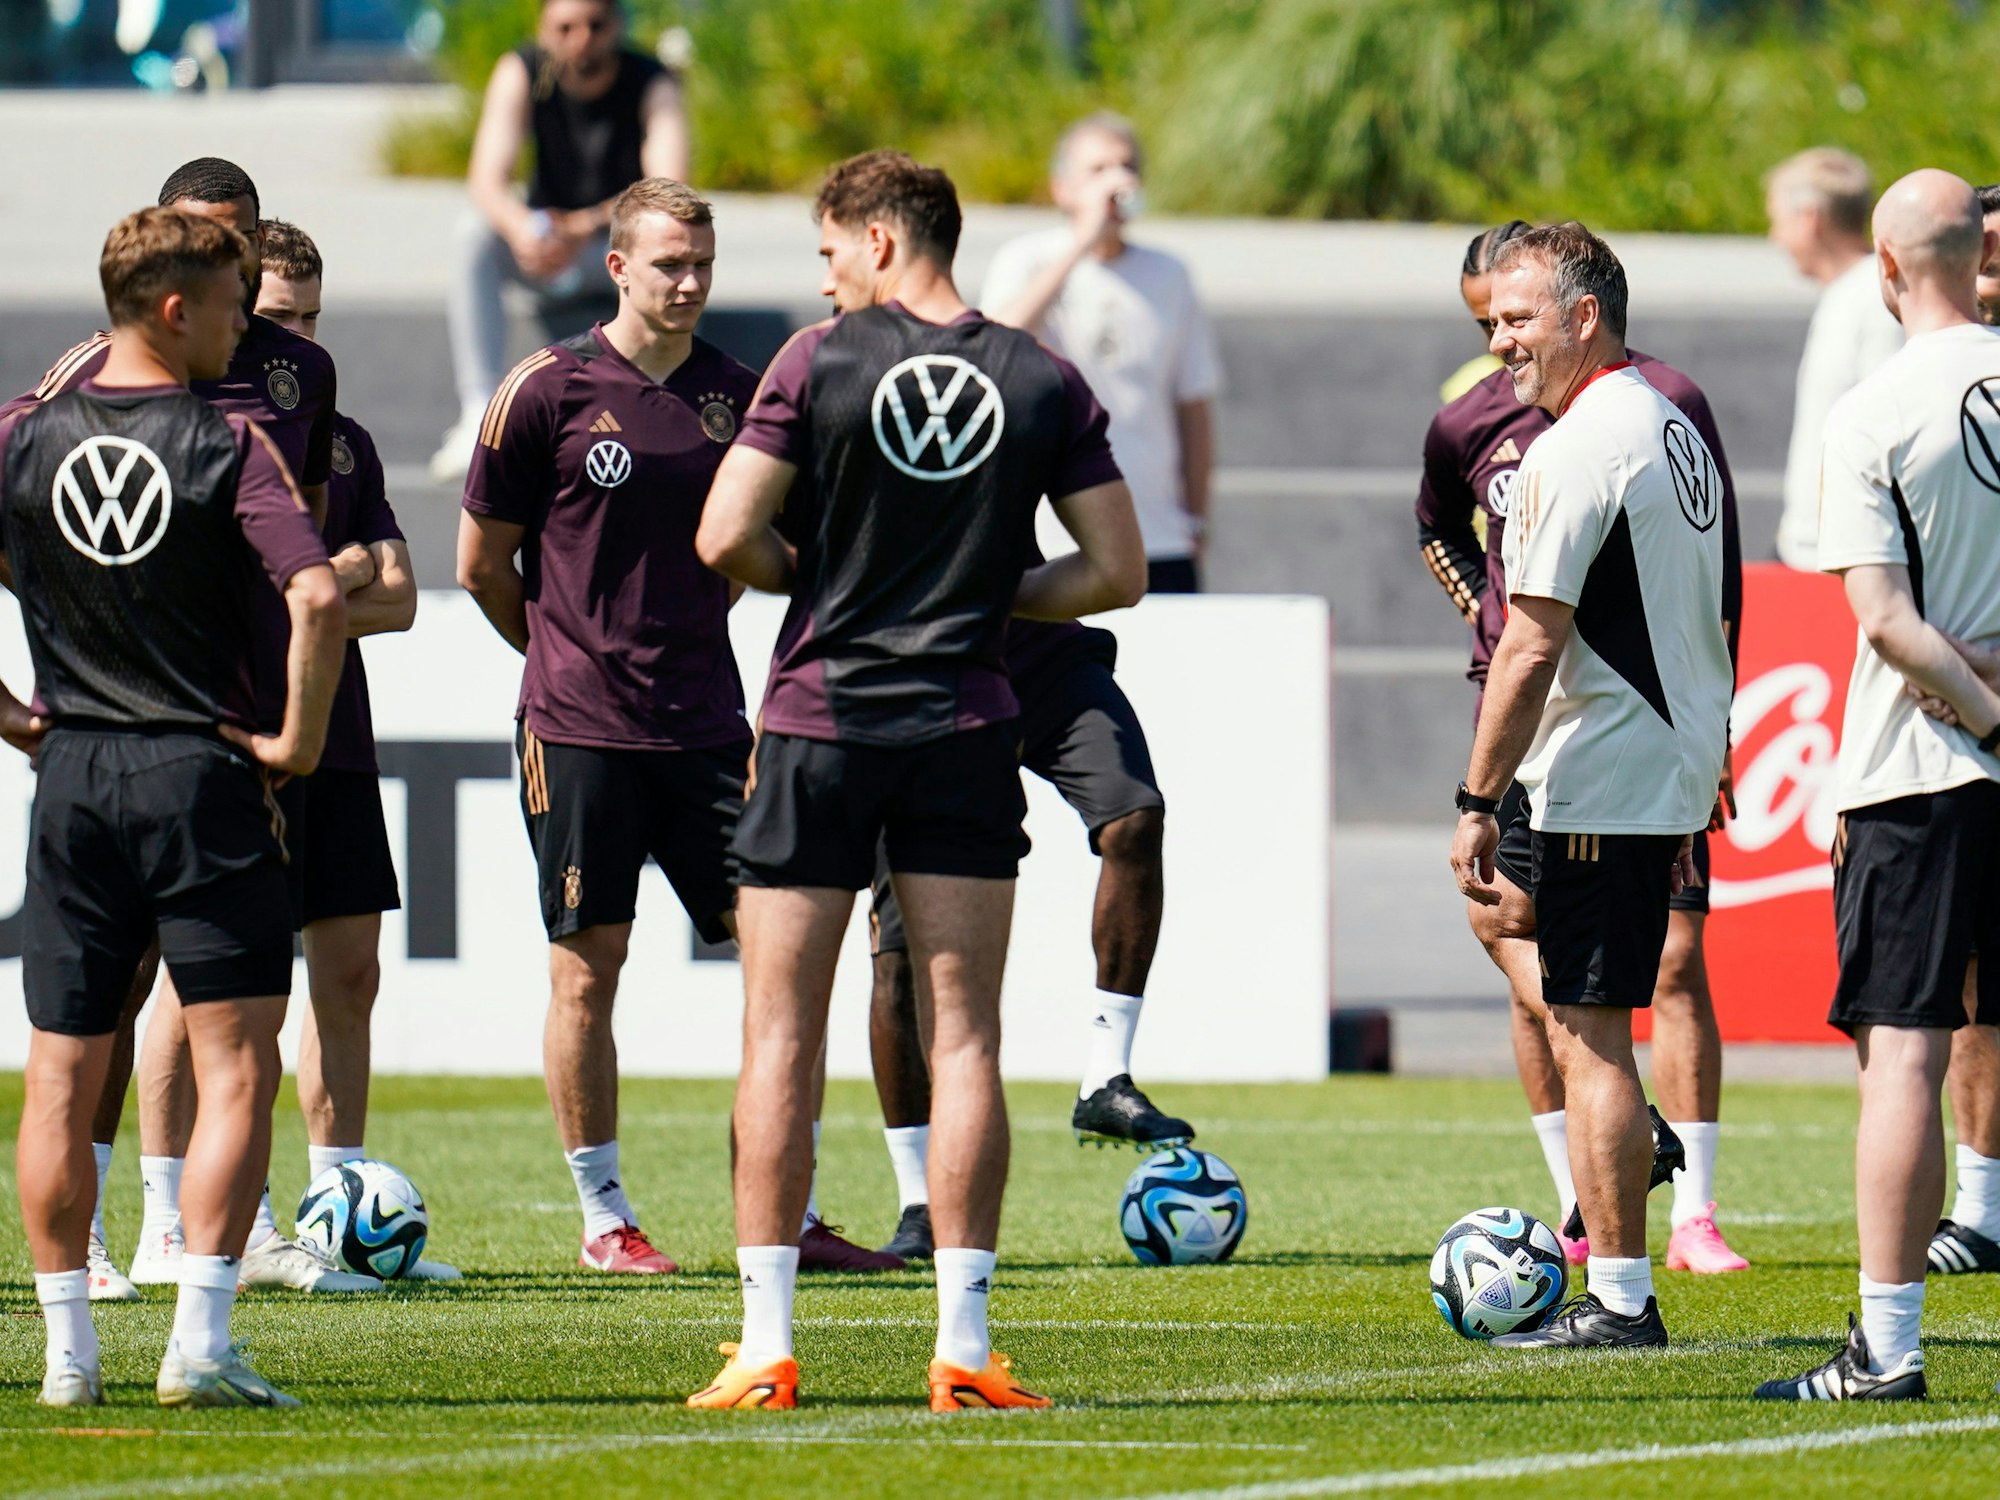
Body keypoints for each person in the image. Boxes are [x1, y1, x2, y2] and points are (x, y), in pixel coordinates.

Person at [689, 149, 1146, 1410]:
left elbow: (724, 534)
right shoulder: (1038, 374)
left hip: (819, 723)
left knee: (779, 1031)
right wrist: (981, 602)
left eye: (831, 251)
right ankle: (960, 1347)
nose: (824, 277)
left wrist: (828, 582)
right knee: (966, 1039)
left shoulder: (814, 362)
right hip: (961, 724)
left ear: (881, 242)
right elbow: (1115, 570)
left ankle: (767, 1345)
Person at [9, 206, 345, 1408]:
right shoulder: (227, 443)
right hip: (200, 774)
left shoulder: (26, 438)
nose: (239, 322)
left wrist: (10, 715)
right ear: (171, 309)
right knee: (237, 1061)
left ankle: (65, 1361)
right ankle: (199, 1346)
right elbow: (312, 595)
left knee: (58, 1073)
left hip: (74, 777)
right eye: (224, 300)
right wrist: (295, 742)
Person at [1416, 221, 1750, 1275]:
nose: (1499, 343)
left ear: (1583, 317)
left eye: (1516, 321)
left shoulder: (1574, 447)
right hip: (1664, 758)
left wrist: (1474, 797)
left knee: (1591, 1032)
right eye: (1493, 323)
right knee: (1554, 970)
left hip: (1602, 771)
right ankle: (1618, 1258)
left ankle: (1615, 1295)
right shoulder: (1669, 423)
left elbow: (1525, 641)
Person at [459, 177, 763, 1276]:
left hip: (708, 727)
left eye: (701, 263)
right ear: (618, 267)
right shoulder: (542, 390)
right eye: (668, 263)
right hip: (578, 728)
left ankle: (790, 1205)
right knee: (589, 969)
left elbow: (742, 560)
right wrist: (562, 654)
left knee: (781, 958)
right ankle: (604, 1218)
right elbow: (482, 567)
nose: (687, 282)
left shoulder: (742, 395)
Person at [1755, 171, 2000, 1401]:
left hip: (1925, 770)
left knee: (1902, 1053)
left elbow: (1886, 624)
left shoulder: (1872, 409)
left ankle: (1887, 1348)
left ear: (1888, 270)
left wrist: (1990, 714)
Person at [865, 607, 1185, 1264]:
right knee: (898, 958)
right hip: (914, 670)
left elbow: (1114, 566)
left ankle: (1105, 1076)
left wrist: (1002, 581)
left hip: (1036, 650)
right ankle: (919, 1203)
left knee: (1134, 817)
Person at [432, 0, 690, 482]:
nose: (581, 40)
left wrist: (582, 226)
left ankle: (660, 410)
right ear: (544, 28)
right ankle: (478, 413)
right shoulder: (522, 70)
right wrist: (521, 229)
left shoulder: (652, 81)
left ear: (618, 25)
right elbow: (487, 178)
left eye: (596, 25)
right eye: (566, 27)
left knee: (667, 247)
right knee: (473, 234)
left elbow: (669, 186)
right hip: (544, 248)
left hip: (615, 255)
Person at [981, 112, 1218, 594]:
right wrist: (1081, 243)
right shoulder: (1026, 260)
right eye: (1097, 169)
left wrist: (1194, 515)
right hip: (1049, 543)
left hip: (1158, 538)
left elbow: (1193, 403)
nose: (1115, 180)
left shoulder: (1169, 275)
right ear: (1061, 188)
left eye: (1126, 165)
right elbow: (990, 349)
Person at [1766, 147, 1904, 569]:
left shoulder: (1874, 301)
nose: (1774, 236)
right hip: (1814, 544)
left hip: (1836, 554)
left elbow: (1885, 433)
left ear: (1809, 218)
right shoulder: (1852, 293)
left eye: (1777, 221)